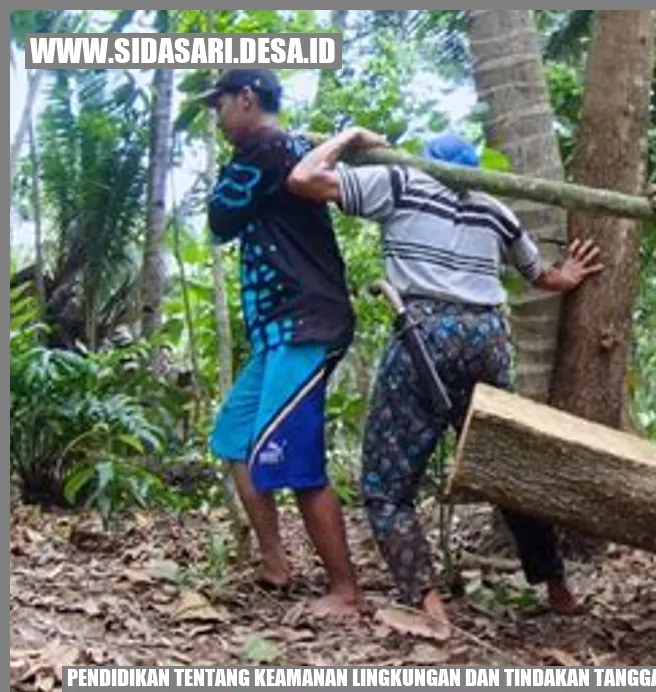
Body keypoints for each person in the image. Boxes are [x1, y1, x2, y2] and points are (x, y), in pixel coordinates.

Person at [287, 129, 603, 636]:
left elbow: (304, 178)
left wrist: (347, 139)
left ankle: (429, 604)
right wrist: (569, 273)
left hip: (425, 333)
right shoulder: (494, 209)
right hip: (487, 337)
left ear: (426, 162)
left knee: (387, 488)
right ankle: (558, 589)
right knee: (506, 473)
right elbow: (543, 276)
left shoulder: (400, 182)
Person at [199, 69, 362, 618]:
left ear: (246, 100)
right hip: (277, 331)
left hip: (304, 323)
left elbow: (220, 219)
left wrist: (344, 139)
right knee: (235, 439)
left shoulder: (267, 149)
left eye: (218, 105)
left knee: (293, 458)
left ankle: (345, 590)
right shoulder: (289, 153)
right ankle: (275, 562)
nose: (216, 118)